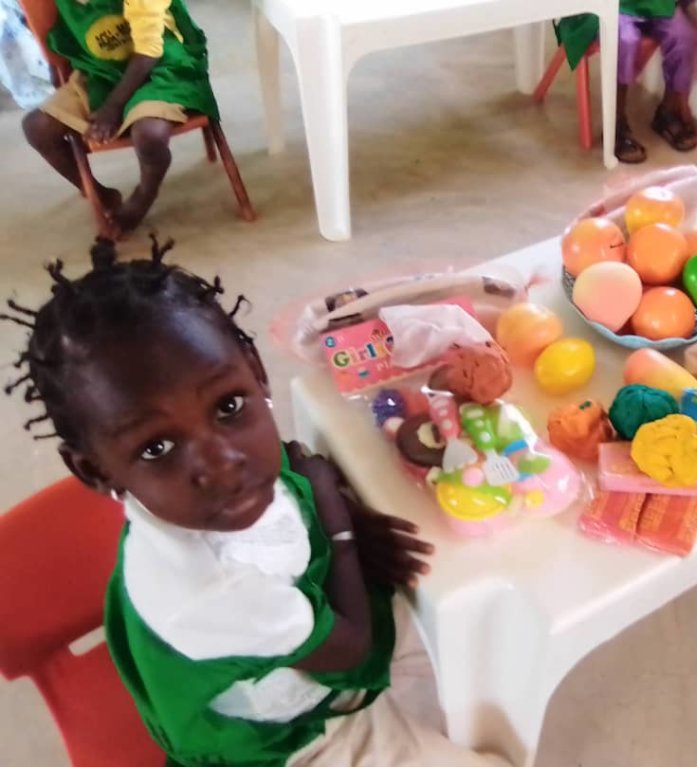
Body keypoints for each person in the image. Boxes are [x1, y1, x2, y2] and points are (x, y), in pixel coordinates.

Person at [1, 239, 506, 767]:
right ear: (96, 471)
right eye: (156, 448)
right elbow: (350, 649)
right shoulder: (212, 591)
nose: (222, 462)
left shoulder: (228, 479)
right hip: (290, 732)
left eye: (228, 406)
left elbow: (297, 469)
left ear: (254, 372)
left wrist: (347, 521)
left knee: (484, 614)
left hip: (315, 614)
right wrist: (340, 530)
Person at [21, 0, 218, 235]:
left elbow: (149, 52)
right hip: (101, 73)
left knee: (149, 134)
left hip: (163, 69)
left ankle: (144, 194)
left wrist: (112, 107)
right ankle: (100, 193)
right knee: (37, 127)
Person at [555, 1, 697, 163]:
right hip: (609, 7)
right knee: (625, 39)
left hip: (655, 5)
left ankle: (668, 111)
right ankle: (616, 124)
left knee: (684, 36)